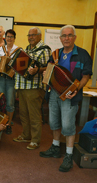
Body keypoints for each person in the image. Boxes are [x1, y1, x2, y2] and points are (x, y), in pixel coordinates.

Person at [39, 25, 92, 172]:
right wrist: (46, 75)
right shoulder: (55, 54)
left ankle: (68, 155)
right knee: (54, 122)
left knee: (68, 125)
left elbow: (86, 76)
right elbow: (49, 72)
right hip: (54, 93)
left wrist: (76, 89)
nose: (66, 38)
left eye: (69, 35)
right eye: (64, 36)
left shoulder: (83, 54)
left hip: (70, 95)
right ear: (60, 38)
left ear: (74, 37)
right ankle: (55, 147)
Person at [13, 27, 51, 150]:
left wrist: (37, 70)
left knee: (34, 115)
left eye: (33, 35)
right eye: (29, 35)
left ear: (39, 36)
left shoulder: (44, 50)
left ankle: (35, 140)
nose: (30, 37)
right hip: (22, 86)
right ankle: (26, 135)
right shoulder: (27, 49)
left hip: (34, 87)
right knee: (23, 113)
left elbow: (48, 68)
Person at [0, 29, 18, 134]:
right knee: (1, 101)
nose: (9, 38)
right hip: (0, 78)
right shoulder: (0, 49)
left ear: (14, 38)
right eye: (8, 36)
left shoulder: (18, 50)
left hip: (11, 79)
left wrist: (14, 70)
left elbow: (19, 65)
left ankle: (8, 123)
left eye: (11, 37)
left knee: (10, 102)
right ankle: (2, 122)